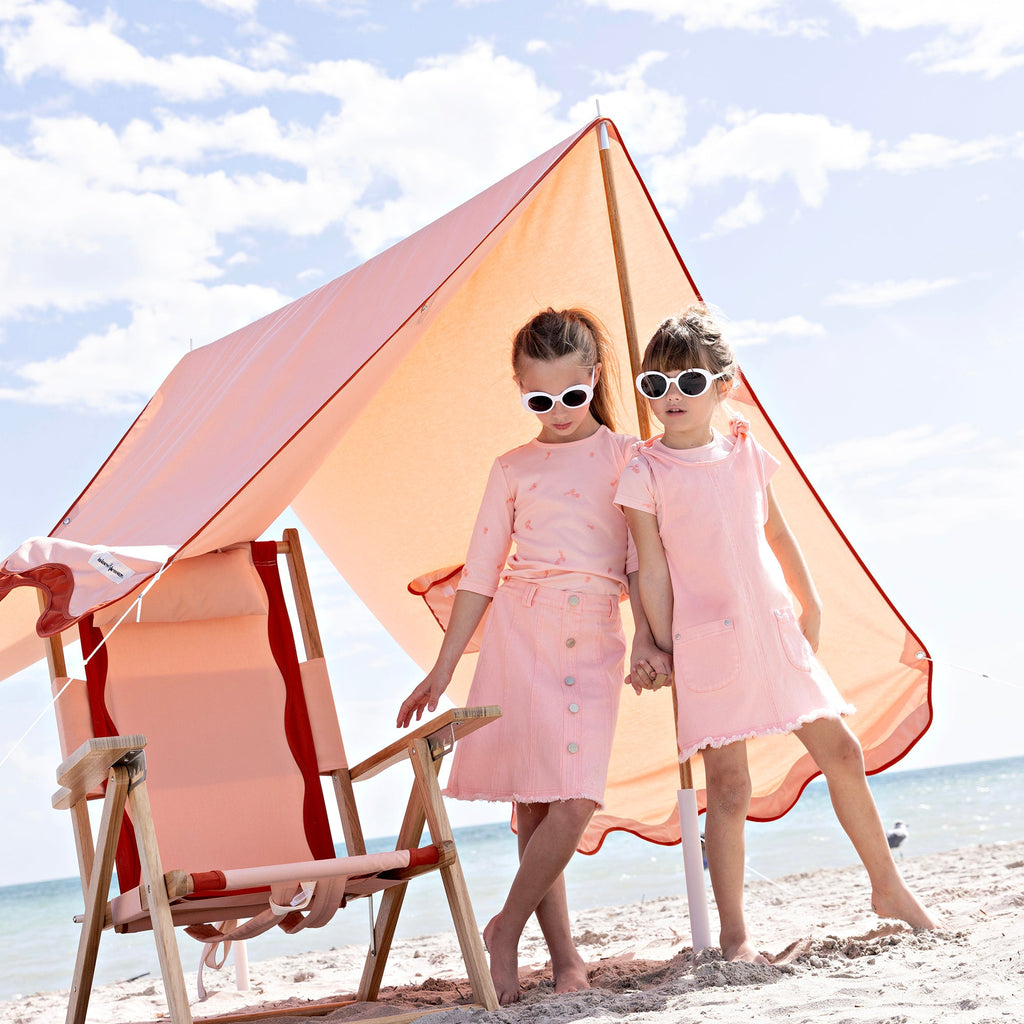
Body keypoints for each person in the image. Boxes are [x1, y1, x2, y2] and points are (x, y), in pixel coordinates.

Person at [615, 305, 939, 962]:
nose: (671, 397)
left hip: (773, 629)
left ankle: (887, 886)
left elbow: (779, 534)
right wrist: (659, 641)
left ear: (723, 383)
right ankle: (735, 936)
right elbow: (650, 569)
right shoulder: (643, 471)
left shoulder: (743, 452)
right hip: (707, 640)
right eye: (655, 385)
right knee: (729, 786)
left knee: (842, 752)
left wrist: (810, 603)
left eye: (688, 382)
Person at [397, 307, 669, 1004]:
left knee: (577, 800)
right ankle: (565, 960)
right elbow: (482, 571)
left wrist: (648, 636)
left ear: (595, 380)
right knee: (537, 804)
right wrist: (444, 667)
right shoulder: (511, 467)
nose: (557, 411)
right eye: (539, 400)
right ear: (520, 390)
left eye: (571, 396)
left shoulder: (628, 456)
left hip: (596, 632)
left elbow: (641, 560)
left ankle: (503, 929)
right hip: (522, 633)